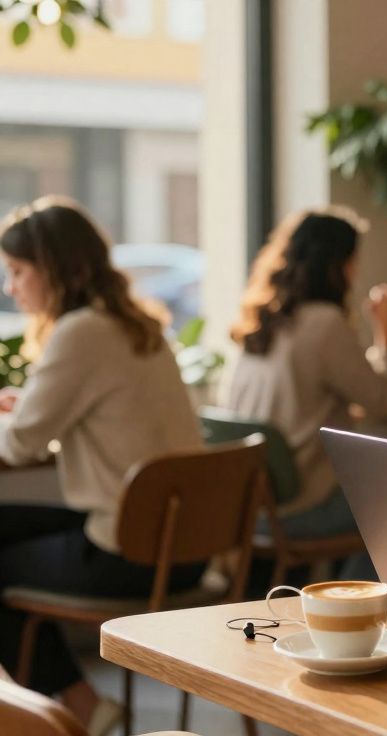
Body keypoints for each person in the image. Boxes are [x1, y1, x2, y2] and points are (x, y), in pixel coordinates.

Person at [0, 196, 203, 734]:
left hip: (131, 551)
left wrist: (20, 418)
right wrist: (30, 410)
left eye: (18, 272)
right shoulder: (133, 325)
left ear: (55, 270)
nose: (10, 287)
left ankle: (72, 709)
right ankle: (77, 703)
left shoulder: (81, 334)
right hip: (182, 542)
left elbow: (18, 447)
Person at [224, 208, 387, 563]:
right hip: (299, 510)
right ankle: (361, 613)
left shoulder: (261, 321)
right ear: (337, 265)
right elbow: (384, 402)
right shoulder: (324, 323)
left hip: (248, 511)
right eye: (353, 262)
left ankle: (336, 599)